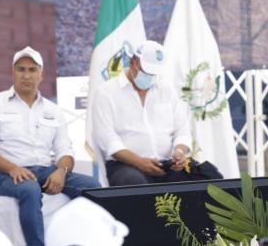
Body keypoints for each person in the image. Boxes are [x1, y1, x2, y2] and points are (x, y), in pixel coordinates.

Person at [0, 46, 99, 246]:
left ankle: (80, 240)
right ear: (12, 73)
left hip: (45, 171)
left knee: (92, 186)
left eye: (32, 70)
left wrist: (62, 171)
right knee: (30, 189)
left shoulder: (53, 110)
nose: (26, 75)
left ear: (41, 75)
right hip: (5, 173)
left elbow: (65, 151)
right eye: (21, 69)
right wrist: (13, 168)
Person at [91, 40, 216, 186]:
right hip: (126, 165)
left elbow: (182, 130)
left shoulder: (166, 89)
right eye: (146, 72)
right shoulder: (106, 92)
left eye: (154, 74)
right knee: (135, 184)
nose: (150, 77)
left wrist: (179, 151)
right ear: (132, 62)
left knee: (208, 175)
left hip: (167, 164)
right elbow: (107, 139)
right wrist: (139, 162)